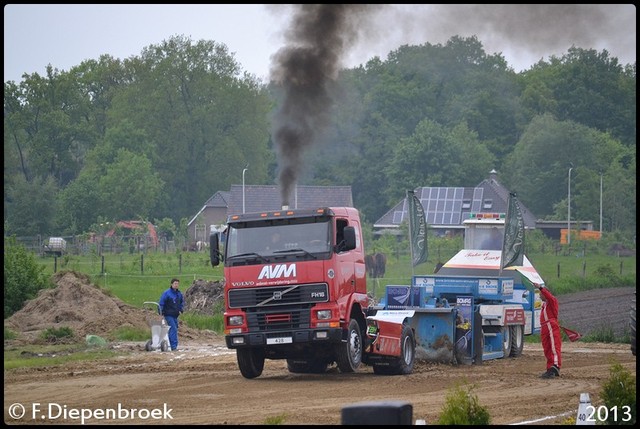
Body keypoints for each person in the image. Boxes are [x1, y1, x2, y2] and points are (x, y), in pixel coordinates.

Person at [534, 282, 562, 378]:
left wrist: (540, 288)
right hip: (545, 326)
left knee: (554, 347)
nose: (540, 296)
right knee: (547, 348)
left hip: (551, 325)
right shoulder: (545, 304)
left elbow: (549, 296)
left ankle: (555, 366)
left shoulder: (552, 300)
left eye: (541, 294)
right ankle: (550, 368)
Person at [158, 278, 184, 351]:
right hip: (168, 314)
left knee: (174, 329)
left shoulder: (179, 294)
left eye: (177, 284)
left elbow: (181, 302)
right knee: (173, 329)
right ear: (171, 284)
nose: (176, 285)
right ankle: (173, 347)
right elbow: (161, 303)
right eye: (175, 283)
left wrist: (181, 309)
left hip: (175, 315)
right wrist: (161, 311)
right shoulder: (167, 293)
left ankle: (170, 345)